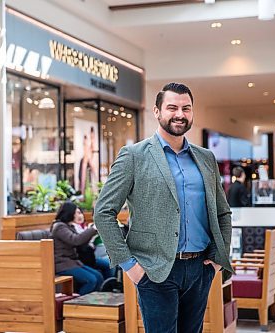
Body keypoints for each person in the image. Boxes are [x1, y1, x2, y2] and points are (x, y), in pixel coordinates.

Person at [94, 82, 233, 333]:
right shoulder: (133, 155)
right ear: (157, 112)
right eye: (172, 107)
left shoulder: (205, 158)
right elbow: (103, 212)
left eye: (186, 108)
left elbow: (222, 212)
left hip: (200, 269)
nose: (179, 114)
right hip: (154, 270)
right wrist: (130, 267)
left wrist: (217, 260)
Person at [50, 201, 103, 295]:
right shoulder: (59, 227)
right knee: (91, 280)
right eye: (76, 212)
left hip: (72, 262)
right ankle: (78, 304)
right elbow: (75, 240)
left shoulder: (68, 226)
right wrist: (94, 228)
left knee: (98, 277)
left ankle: (92, 304)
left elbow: (80, 243)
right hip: (62, 264)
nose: (78, 215)